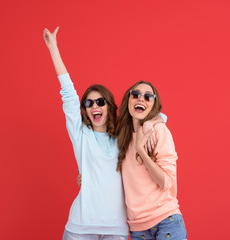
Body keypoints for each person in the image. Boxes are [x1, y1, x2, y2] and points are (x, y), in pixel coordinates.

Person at [43, 26, 129, 240]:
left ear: (109, 106)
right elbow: (69, 96)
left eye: (100, 102)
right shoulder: (81, 134)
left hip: (116, 228)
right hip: (80, 227)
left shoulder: (124, 137)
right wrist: (54, 49)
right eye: (89, 103)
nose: (94, 106)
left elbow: (152, 120)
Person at [115, 81, 188, 240]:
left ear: (153, 105)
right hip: (137, 228)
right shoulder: (121, 138)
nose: (141, 99)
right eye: (136, 94)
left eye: (148, 97)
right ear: (129, 99)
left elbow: (166, 182)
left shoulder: (158, 131)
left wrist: (142, 150)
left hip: (166, 221)